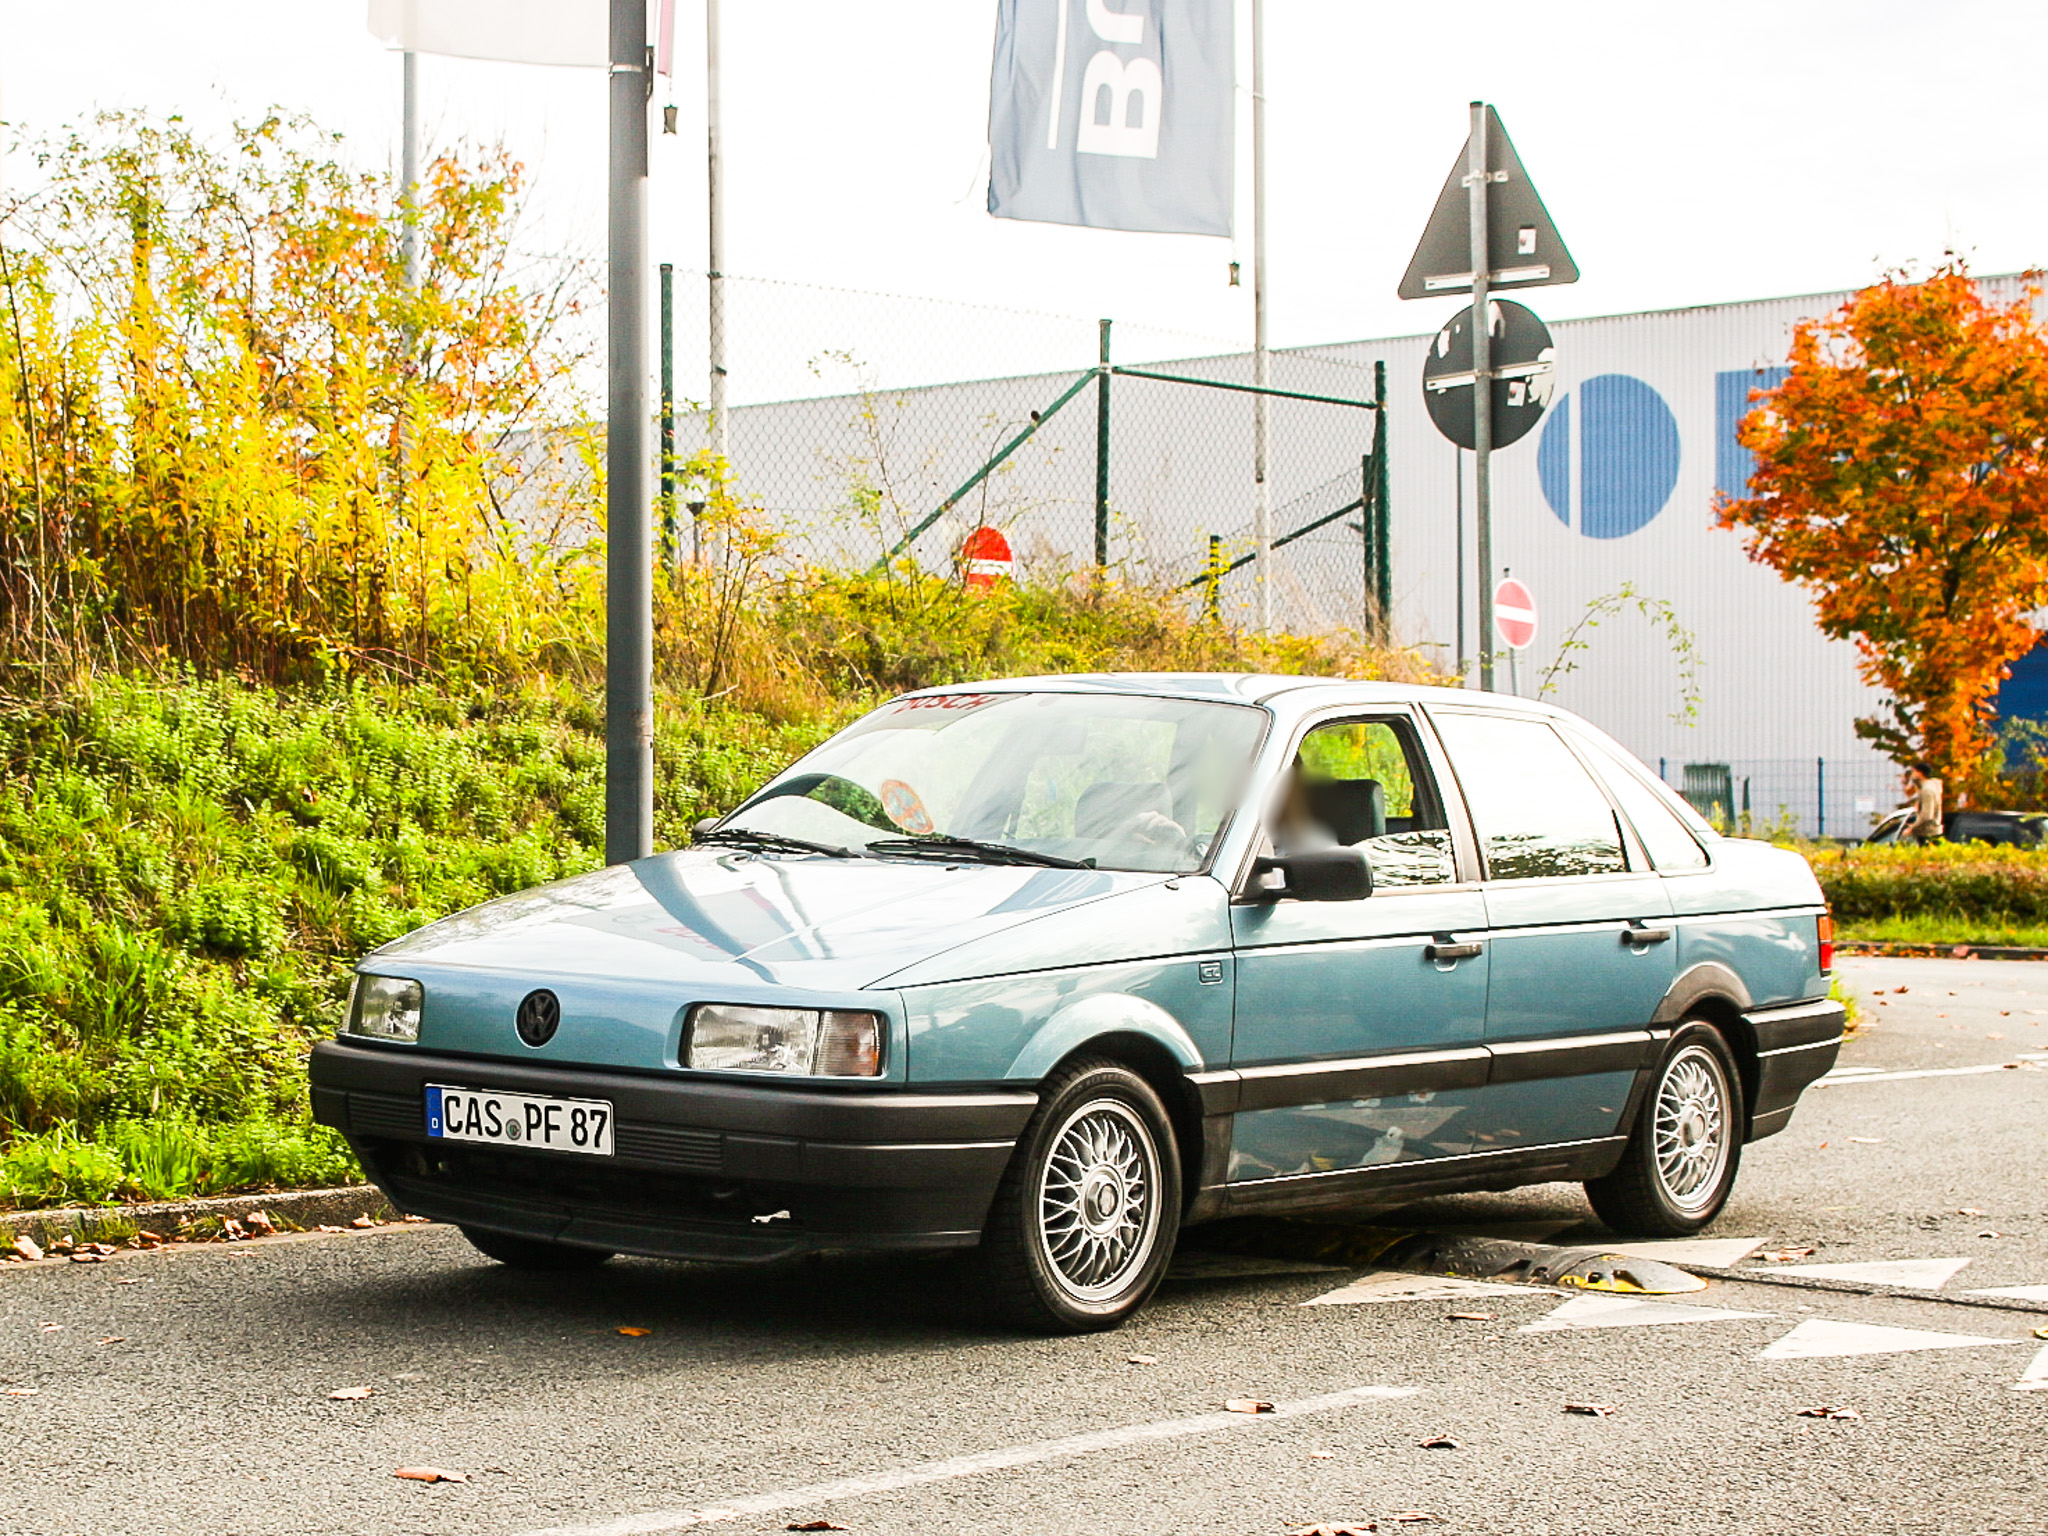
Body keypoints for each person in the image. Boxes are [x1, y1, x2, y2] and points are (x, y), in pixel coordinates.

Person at [1902, 760, 1945, 845]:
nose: (1912, 775)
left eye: (1914, 772)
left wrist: (1911, 828)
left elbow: (1926, 815)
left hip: (1928, 832)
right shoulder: (1928, 787)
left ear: (1920, 773)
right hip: (1930, 831)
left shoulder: (1927, 790)